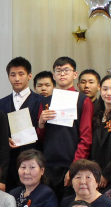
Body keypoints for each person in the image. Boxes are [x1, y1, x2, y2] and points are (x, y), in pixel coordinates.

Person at [36, 57, 93, 196]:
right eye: (58, 71)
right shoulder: (45, 101)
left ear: (75, 74)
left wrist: (75, 167)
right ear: (54, 75)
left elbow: (86, 137)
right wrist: (41, 124)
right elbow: (41, 138)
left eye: (66, 70)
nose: (62, 74)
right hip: (48, 163)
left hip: (71, 163)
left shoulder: (83, 100)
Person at [0, 57, 45, 187]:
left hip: (33, 158)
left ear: (29, 76)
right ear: (8, 77)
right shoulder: (1, 103)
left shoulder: (41, 101)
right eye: (13, 75)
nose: (17, 78)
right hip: (9, 161)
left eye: (21, 74)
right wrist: (5, 139)